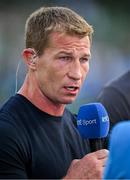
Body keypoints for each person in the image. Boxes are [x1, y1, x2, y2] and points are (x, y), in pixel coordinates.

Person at [0, 6, 108, 179]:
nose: (77, 73)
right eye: (64, 58)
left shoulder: (83, 127)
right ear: (31, 59)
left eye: (84, 59)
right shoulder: (7, 131)